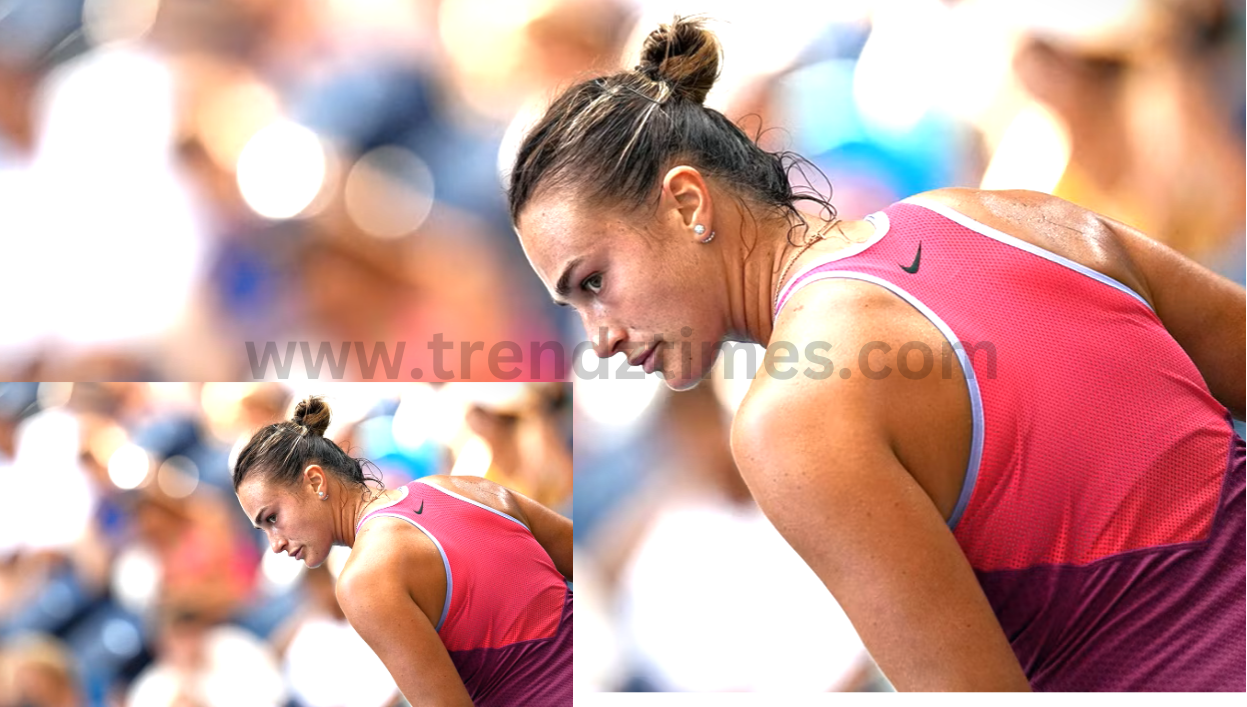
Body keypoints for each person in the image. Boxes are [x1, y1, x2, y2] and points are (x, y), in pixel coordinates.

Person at [508, 16, 1244, 692]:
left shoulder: (789, 419)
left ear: (688, 203)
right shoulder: (1003, 214)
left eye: (594, 282)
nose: (598, 335)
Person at [232, 397, 573, 705]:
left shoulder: (362, 580)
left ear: (316, 481)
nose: (274, 544)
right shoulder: (461, 486)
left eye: (272, 518)